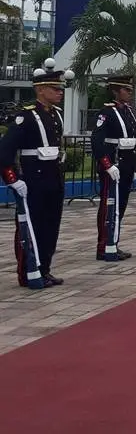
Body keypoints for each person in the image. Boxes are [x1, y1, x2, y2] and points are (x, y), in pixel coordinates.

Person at [0, 66, 68, 288]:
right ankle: (27, 271)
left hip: (53, 177)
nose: (60, 92)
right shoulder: (26, 117)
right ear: (40, 90)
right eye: (54, 88)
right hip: (34, 179)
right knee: (31, 225)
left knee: (51, 226)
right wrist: (13, 179)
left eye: (60, 88)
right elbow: (5, 151)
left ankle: (44, 268)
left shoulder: (56, 115)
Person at [91, 74, 136, 261]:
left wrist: (135, 166)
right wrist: (107, 164)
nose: (129, 93)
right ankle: (104, 245)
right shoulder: (107, 112)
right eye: (126, 90)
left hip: (126, 163)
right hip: (113, 163)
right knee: (108, 205)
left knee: (121, 205)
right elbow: (97, 140)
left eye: (130, 90)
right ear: (116, 91)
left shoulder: (128, 111)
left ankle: (113, 242)